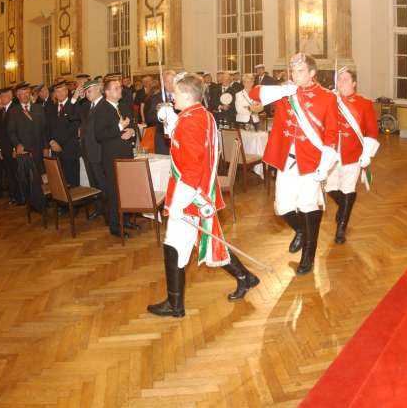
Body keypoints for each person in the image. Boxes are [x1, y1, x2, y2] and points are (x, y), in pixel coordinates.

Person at [147, 72, 259, 318]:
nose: (171, 97)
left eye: (175, 93)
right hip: (201, 193)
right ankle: (245, 276)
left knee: (174, 246)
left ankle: (175, 305)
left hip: (190, 196)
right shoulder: (200, 115)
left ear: (186, 95)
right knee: (210, 242)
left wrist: (178, 204)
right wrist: (171, 121)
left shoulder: (189, 122)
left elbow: (191, 165)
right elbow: (186, 144)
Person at [249, 53, 338, 275]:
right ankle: (300, 230)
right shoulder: (286, 93)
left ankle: (308, 255)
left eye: (299, 71)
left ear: (312, 73)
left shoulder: (327, 97)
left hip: (311, 162)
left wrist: (325, 164)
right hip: (286, 160)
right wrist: (283, 89)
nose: (294, 75)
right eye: (292, 71)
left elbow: (332, 133)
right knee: (283, 206)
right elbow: (254, 94)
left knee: (308, 205)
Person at [325, 67, 380, 244]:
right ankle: (345, 206)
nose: (341, 82)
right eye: (339, 79)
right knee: (330, 188)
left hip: (353, 153)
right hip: (332, 153)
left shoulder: (365, 103)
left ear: (354, 83)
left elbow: (372, 131)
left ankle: (341, 227)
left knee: (348, 188)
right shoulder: (330, 100)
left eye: (346, 79)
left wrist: (367, 154)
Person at [94, 77, 138, 238]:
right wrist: (120, 127)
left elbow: (132, 124)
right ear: (107, 92)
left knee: (126, 190)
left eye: (120, 87)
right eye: (116, 88)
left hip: (126, 154)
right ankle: (115, 225)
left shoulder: (124, 105)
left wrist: (132, 131)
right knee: (114, 192)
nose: (120, 90)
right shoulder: (101, 109)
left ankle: (125, 219)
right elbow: (100, 135)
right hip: (112, 157)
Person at [7, 82, 48, 211]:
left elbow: (45, 130)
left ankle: (43, 203)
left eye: (26, 93)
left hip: (39, 149)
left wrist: (46, 147)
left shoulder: (38, 108)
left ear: (30, 94)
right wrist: (17, 144)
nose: (24, 96)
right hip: (24, 151)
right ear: (17, 96)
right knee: (28, 179)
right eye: (21, 94)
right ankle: (33, 204)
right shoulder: (14, 111)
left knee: (41, 177)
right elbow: (11, 132)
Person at [45, 81, 82, 187]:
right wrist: (51, 141)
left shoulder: (75, 105)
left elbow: (73, 127)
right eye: (57, 91)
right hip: (55, 151)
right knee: (60, 182)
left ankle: (74, 203)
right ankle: (63, 203)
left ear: (67, 92)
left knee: (72, 183)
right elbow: (47, 128)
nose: (60, 93)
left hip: (69, 150)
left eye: (62, 91)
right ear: (54, 94)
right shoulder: (51, 108)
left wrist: (59, 144)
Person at [80, 79, 106, 219]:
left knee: (102, 182)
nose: (86, 94)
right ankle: (99, 208)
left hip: (99, 151)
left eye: (89, 91)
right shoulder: (87, 106)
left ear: (97, 90)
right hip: (87, 151)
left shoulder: (104, 105)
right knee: (93, 183)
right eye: (85, 91)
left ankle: (107, 210)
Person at [0, 87, 21, 204]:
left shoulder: (15, 109)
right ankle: (13, 196)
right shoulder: (2, 111)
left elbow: (17, 131)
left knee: (16, 174)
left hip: (13, 149)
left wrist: (15, 148)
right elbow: (0, 133)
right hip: (4, 149)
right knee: (9, 174)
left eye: (3, 96)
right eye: (0, 96)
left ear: (10, 96)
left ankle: (20, 197)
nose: (1, 98)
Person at [145, 70, 176, 155]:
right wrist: (159, 113)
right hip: (163, 139)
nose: (170, 84)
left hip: (178, 137)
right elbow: (149, 119)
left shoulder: (182, 96)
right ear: (163, 83)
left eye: (172, 81)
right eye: (167, 82)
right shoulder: (156, 98)